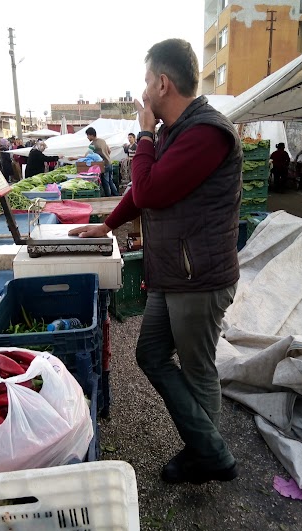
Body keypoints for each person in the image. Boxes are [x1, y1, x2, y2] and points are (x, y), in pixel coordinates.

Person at [69, 38, 242, 485]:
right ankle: (208, 448)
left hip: (199, 276)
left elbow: (149, 191)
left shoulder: (206, 133)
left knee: (198, 368)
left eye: (147, 81)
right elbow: (142, 190)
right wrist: (107, 226)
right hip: (174, 272)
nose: (143, 91)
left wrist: (143, 134)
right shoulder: (176, 132)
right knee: (150, 354)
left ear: (163, 82)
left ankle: (207, 454)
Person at [85, 127, 118, 197]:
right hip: (109, 163)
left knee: (105, 182)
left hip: (104, 165)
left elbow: (86, 156)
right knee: (110, 181)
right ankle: (116, 195)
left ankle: (108, 196)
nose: (87, 137)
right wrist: (106, 156)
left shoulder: (92, 145)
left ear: (91, 135)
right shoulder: (102, 141)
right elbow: (109, 151)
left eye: (87, 136)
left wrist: (73, 158)